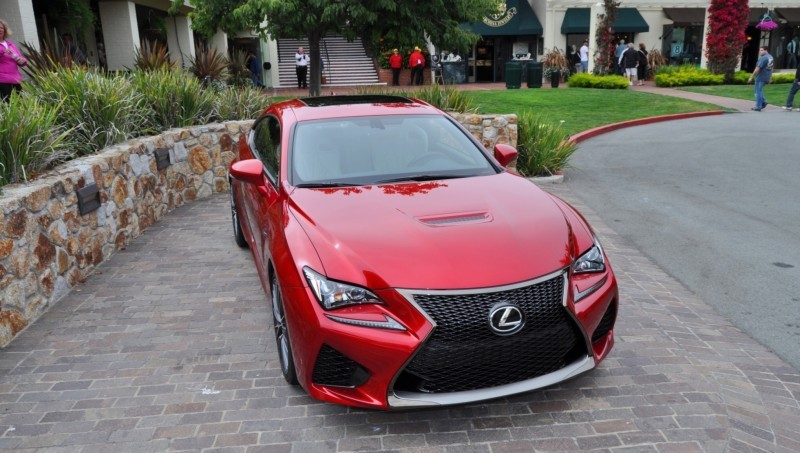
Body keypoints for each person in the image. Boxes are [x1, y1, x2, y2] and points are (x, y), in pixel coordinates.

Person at [0, 19, 27, 102]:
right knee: (7, 105)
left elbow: (21, 59)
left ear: (5, 30)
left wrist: (22, 61)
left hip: (16, 79)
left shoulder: (11, 45)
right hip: (2, 80)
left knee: (21, 104)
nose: (0, 30)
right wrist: (2, 52)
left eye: (1, 28)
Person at [748, 46, 773, 111]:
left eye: (761, 50)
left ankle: (758, 106)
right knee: (760, 91)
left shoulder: (763, 58)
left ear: (766, 50)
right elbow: (770, 68)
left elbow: (758, 68)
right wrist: (770, 77)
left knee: (757, 92)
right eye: (760, 50)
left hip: (760, 77)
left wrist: (751, 77)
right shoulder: (770, 57)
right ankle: (764, 101)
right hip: (766, 77)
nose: (760, 52)